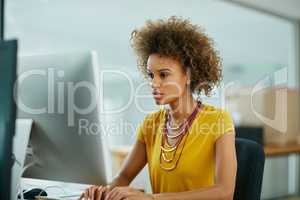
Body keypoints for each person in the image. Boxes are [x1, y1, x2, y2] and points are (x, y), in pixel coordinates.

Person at [80, 16, 237, 200]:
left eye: (163, 75)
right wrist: (103, 191)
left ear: (188, 76)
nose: (154, 83)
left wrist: (153, 198)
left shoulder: (218, 120)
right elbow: (123, 177)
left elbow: (225, 192)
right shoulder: (150, 125)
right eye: (150, 75)